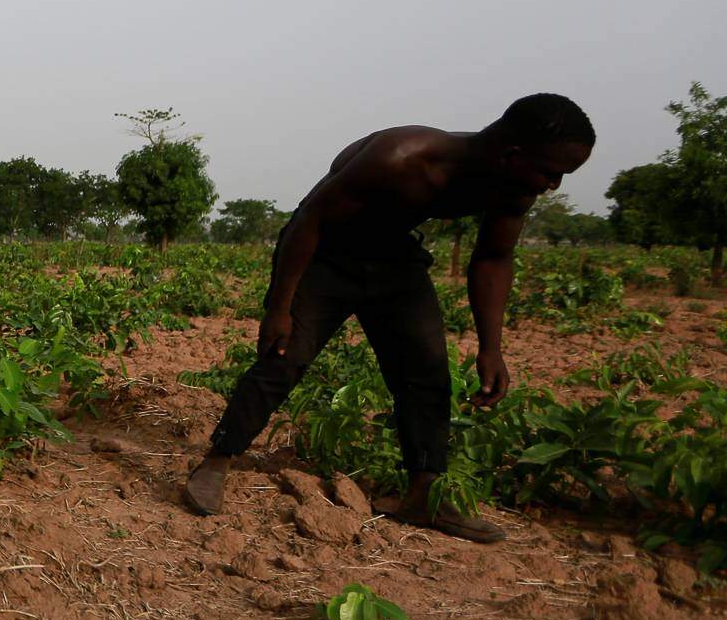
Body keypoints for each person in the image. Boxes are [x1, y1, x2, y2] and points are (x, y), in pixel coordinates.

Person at [181, 94, 596, 542]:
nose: (553, 185)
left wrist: (491, 347)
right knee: (286, 356)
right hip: (325, 252)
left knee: (427, 372)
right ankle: (218, 461)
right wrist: (279, 307)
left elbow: (494, 258)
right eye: (551, 172)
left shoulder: (513, 188)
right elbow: (310, 220)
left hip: (394, 257)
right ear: (513, 154)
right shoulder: (400, 157)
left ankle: (424, 494)